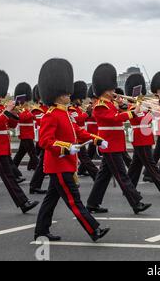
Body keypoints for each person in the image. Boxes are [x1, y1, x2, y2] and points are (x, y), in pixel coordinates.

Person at [34, 58, 110, 242]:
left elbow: (77, 131)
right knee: (73, 200)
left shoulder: (64, 113)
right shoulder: (51, 115)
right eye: (66, 93)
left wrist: (96, 139)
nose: (70, 95)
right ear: (58, 95)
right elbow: (45, 141)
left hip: (65, 163)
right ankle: (94, 229)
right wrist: (67, 148)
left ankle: (41, 231)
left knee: (51, 200)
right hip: (59, 164)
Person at [86, 63, 151, 215]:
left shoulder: (111, 103)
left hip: (114, 143)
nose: (113, 91)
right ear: (104, 90)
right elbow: (116, 118)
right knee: (122, 176)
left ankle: (92, 203)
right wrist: (132, 113)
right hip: (109, 144)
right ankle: (136, 202)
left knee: (103, 177)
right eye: (111, 89)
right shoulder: (100, 106)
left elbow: (119, 112)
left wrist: (123, 104)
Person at [0, 70, 39, 214]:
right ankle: (23, 203)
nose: (1, 97)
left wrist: (14, 112)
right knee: (9, 177)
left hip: (2, 145)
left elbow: (12, 125)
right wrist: (7, 111)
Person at [124, 74, 160, 196]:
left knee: (135, 166)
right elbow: (140, 119)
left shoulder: (142, 106)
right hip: (140, 136)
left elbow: (154, 116)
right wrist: (143, 107)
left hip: (145, 136)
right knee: (150, 164)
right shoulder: (132, 107)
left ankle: (128, 188)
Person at [69, 81, 99, 182]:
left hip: (81, 136)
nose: (81, 100)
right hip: (76, 137)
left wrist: (87, 113)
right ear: (74, 99)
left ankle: (81, 171)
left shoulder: (78, 109)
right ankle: (97, 176)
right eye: (79, 99)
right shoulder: (71, 109)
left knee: (84, 158)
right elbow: (78, 120)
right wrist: (87, 113)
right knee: (85, 158)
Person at [13, 82, 39, 172]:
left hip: (29, 133)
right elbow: (22, 118)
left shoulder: (26, 106)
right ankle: (40, 169)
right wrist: (30, 113)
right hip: (25, 133)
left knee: (20, 153)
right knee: (33, 154)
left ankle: (15, 168)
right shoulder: (17, 107)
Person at [29, 85, 49, 195]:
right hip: (44, 137)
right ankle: (34, 186)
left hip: (49, 137)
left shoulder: (48, 108)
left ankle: (34, 186)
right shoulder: (37, 109)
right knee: (43, 163)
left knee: (43, 162)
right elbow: (41, 123)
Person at [78, 85, 99, 175]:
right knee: (86, 155)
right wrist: (88, 112)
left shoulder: (97, 106)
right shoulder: (92, 107)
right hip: (88, 132)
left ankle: (81, 170)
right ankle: (96, 173)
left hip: (94, 132)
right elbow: (81, 119)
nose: (93, 100)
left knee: (89, 153)